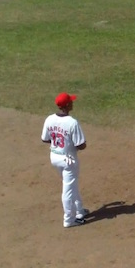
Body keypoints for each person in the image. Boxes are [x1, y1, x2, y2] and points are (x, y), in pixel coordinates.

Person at [41, 93, 89, 228]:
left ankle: (79, 211)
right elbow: (81, 145)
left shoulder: (49, 119)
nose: (73, 103)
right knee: (67, 189)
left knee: (71, 185)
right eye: (71, 102)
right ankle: (69, 219)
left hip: (54, 157)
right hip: (68, 160)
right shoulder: (72, 122)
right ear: (67, 105)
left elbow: (45, 139)